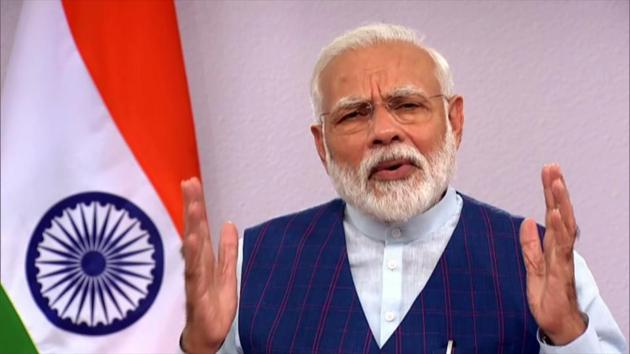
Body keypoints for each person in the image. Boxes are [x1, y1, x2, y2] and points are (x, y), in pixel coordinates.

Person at [179, 24, 627, 353]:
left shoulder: (543, 263)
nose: (384, 131)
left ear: (454, 121)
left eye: (407, 105)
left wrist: (568, 334)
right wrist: (201, 348)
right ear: (322, 145)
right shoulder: (249, 266)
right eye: (354, 114)